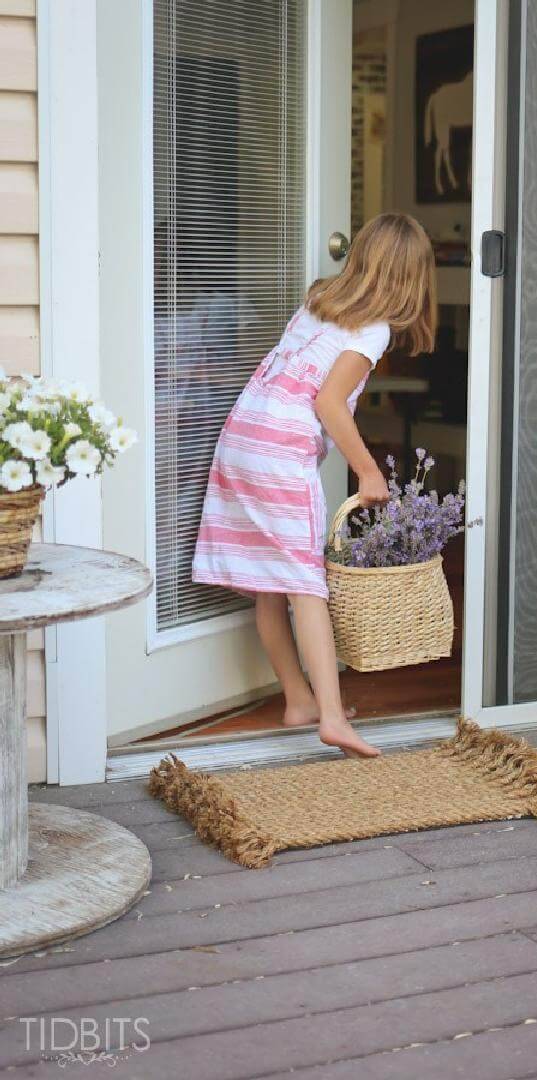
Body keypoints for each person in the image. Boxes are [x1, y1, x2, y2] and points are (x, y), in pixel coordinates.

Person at [193, 212, 437, 757]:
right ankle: (330, 716)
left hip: (242, 437)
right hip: (280, 454)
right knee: (307, 586)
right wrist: (370, 470)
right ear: (411, 279)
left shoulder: (321, 301)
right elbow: (327, 402)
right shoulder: (373, 329)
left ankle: (299, 699)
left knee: (271, 583)